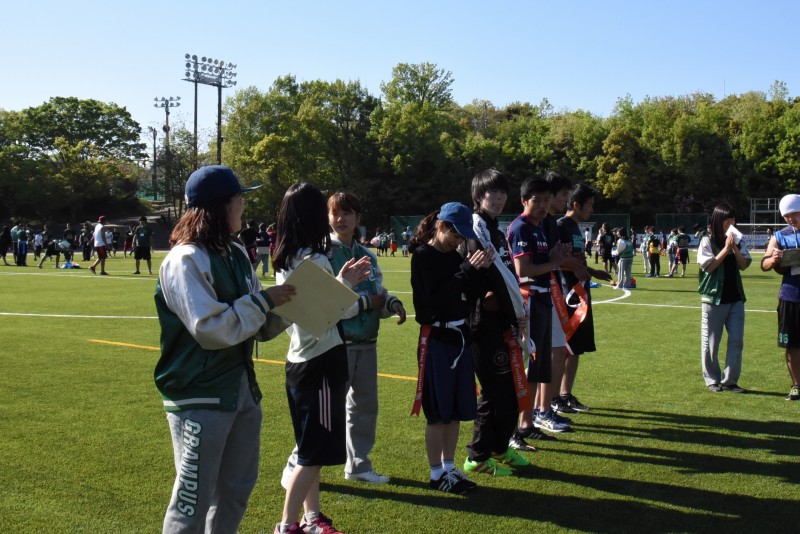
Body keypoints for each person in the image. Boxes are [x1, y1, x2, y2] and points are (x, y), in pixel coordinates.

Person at [154, 164, 296, 533]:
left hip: (241, 390)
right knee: (192, 500)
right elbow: (210, 329)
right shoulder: (185, 259)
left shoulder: (235, 253)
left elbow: (258, 326)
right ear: (220, 206)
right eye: (238, 200)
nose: (243, 207)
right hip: (199, 393)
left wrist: (296, 306)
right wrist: (264, 302)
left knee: (236, 491)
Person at [272, 182, 373, 534]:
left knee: (308, 448)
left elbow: (303, 311)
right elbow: (328, 314)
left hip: (299, 360)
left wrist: (339, 282)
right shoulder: (313, 258)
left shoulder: (287, 257)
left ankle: (312, 517)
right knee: (313, 453)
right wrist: (346, 284)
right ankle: (287, 525)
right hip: (320, 360)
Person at [409, 202, 493, 494]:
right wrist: (466, 270)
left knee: (456, 411)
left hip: (459, 337)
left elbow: (468, 297)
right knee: (438, 413)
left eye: (462, 237)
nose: (458, 242)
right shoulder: (422, 256)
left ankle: (449, 467)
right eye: (455, 235)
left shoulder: (456, 257)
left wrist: (480, 271)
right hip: (437, 339)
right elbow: (430, 303)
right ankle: (436, 474)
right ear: (441, 226)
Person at [328, 192, 406, 483]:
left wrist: (391, 303)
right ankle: (301, 467)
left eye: (348, 213)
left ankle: (358, 465)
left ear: (358, 218)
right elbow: (329, 304)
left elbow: (377, 292)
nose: (341, 218)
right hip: (335, 344)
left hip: (367, 344)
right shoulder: (323, 254)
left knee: (365, 408)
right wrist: (367, 303)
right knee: (326, 410)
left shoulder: (368, 255)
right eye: (336, 213)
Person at [462, 169, 532, 477]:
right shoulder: (472, 231)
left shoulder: (495, 231)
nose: (500, 197)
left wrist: (517, 309)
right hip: (483, 324)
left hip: (504, 320)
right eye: (493, 192)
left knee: (511, 389)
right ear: (479, 196)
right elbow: (482, 278)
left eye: (503, 192)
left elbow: (507, 276)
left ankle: (500, 449)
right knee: (494, 392)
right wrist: (508, 307)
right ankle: (477, 457)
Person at [508, 177, 571, 436]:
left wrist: (555, 258)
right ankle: (516, 427)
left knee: (538, 366)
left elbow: (544, 264)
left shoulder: (539, 227)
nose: (543, 205)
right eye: (538, 200)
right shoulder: (521, 227)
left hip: (543, 299)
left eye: (546, 200)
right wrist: (553, 263)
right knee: (529, 363)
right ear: (524, 200)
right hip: (530, 299)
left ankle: (528, 422)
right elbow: (523, 270)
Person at [554, 184, 613, 412]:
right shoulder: (560, 226)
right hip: (567, 296)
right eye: (589, 205)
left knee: (576, 347)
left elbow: (576, 260)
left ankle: (566, 394)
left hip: (581, 294)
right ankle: (554, 398)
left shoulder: (576, 228)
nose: (591, 210)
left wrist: (592, 272)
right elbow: (556, 261)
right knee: (565, 347)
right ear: (576, 204)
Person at [697, 202, 751, 393]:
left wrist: (734, 248)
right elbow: (709, 267)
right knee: (711, 342)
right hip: (713, 298)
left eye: (732, 219)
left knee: (736, 340)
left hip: (735, 298)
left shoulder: (738, 240)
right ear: (718, 220)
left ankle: (730, 381)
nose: (730, 223)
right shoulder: (707, 241)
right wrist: (726, 249)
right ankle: (712, 379)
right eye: (726, 219)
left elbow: (744, 265)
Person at [761, 194, 800, 400]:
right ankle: (797, 385)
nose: (790, 219)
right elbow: (764, 264)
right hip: (791, 296)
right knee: (792, 344)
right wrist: (774, 259)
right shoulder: (780, 236)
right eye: (786, 216)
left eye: (794, 214)